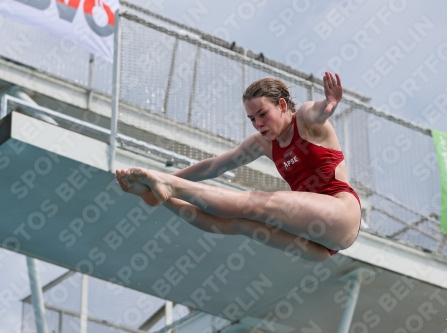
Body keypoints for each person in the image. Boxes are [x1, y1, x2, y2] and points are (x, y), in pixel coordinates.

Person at [115, 72, 361, 262]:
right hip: (319, 248)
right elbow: (212, 167)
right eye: (252, 118)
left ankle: (166, 186)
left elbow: (317, 112)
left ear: (283, 106)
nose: (258, 123)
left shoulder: (305, 120)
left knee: (256, 202)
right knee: (239, 224)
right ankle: (159, 196)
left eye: (263, 114)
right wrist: (163, 178)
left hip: (341, 214)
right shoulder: (262, 143)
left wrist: (329, 105)